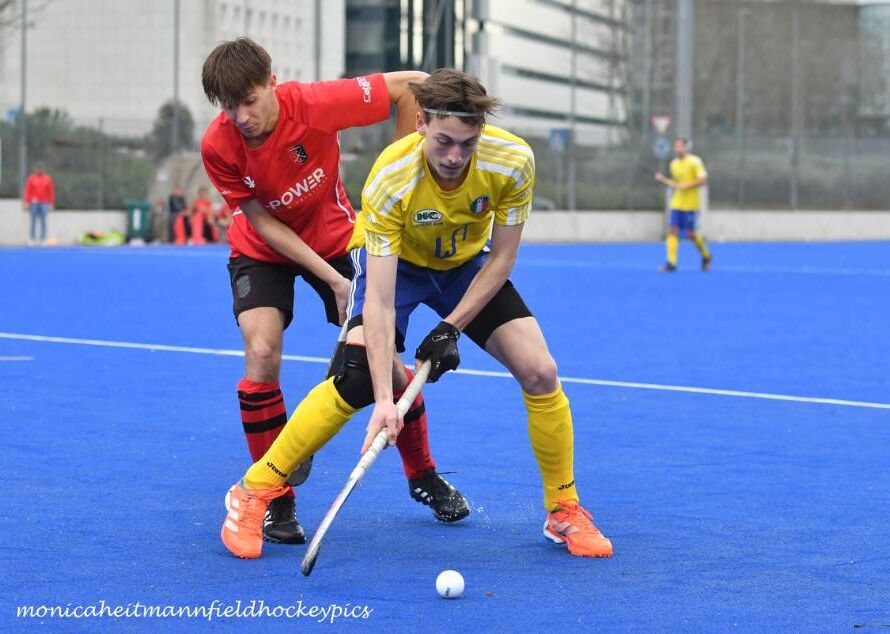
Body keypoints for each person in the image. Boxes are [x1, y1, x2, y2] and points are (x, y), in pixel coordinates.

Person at [220, 68, 613, 560]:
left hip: (465, 267)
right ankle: (253, 490)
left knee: (540, 370)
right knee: (357, 379)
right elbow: (381, 300)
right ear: (421, 123)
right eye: (443, 141)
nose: (454, 157)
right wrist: (385, 402)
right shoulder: (392, 176)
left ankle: (563, 509)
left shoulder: (513, 161)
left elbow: (502, 258)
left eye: (467, 144)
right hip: (397, 266)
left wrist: (450, 327)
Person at [200, 38, 468, 547]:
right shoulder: (218, 145)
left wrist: (398, 175)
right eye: (230, 107)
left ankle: (423, 474)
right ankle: (275, 497)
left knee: (383, 363)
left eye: (250, 101)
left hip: (337, 237)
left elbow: (413, 85)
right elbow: (260, 221)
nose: (241, 117)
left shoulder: (315, 104)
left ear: (272, 82)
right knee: (261, 352)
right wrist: (334, 279)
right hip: (263, 250)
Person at [654, 137, 712, 272]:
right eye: (676, 146)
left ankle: (706, 255)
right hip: (677, 203)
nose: (677, 149)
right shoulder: (673, 164)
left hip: (691, 204)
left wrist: (688, 185)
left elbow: (703, 179)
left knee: (690, 234)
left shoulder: (695, 161)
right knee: (672, 230)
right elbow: (677, 184)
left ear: (686, 148)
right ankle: (671, 263)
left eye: (680, 146)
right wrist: (663, 179)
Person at [22, 163, 55, 246]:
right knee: (33, 221)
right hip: (34, 203)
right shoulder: (31, 178)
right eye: (38, 168)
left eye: (41, 168)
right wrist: (26, 201)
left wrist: (51, 202)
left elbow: (50, 191)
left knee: (43, 221)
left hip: (44, 202)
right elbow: (28, 190)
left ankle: (43, 239)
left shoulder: (47, 178)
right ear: (35, 169)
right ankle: (32, 239)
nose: (39, 170)